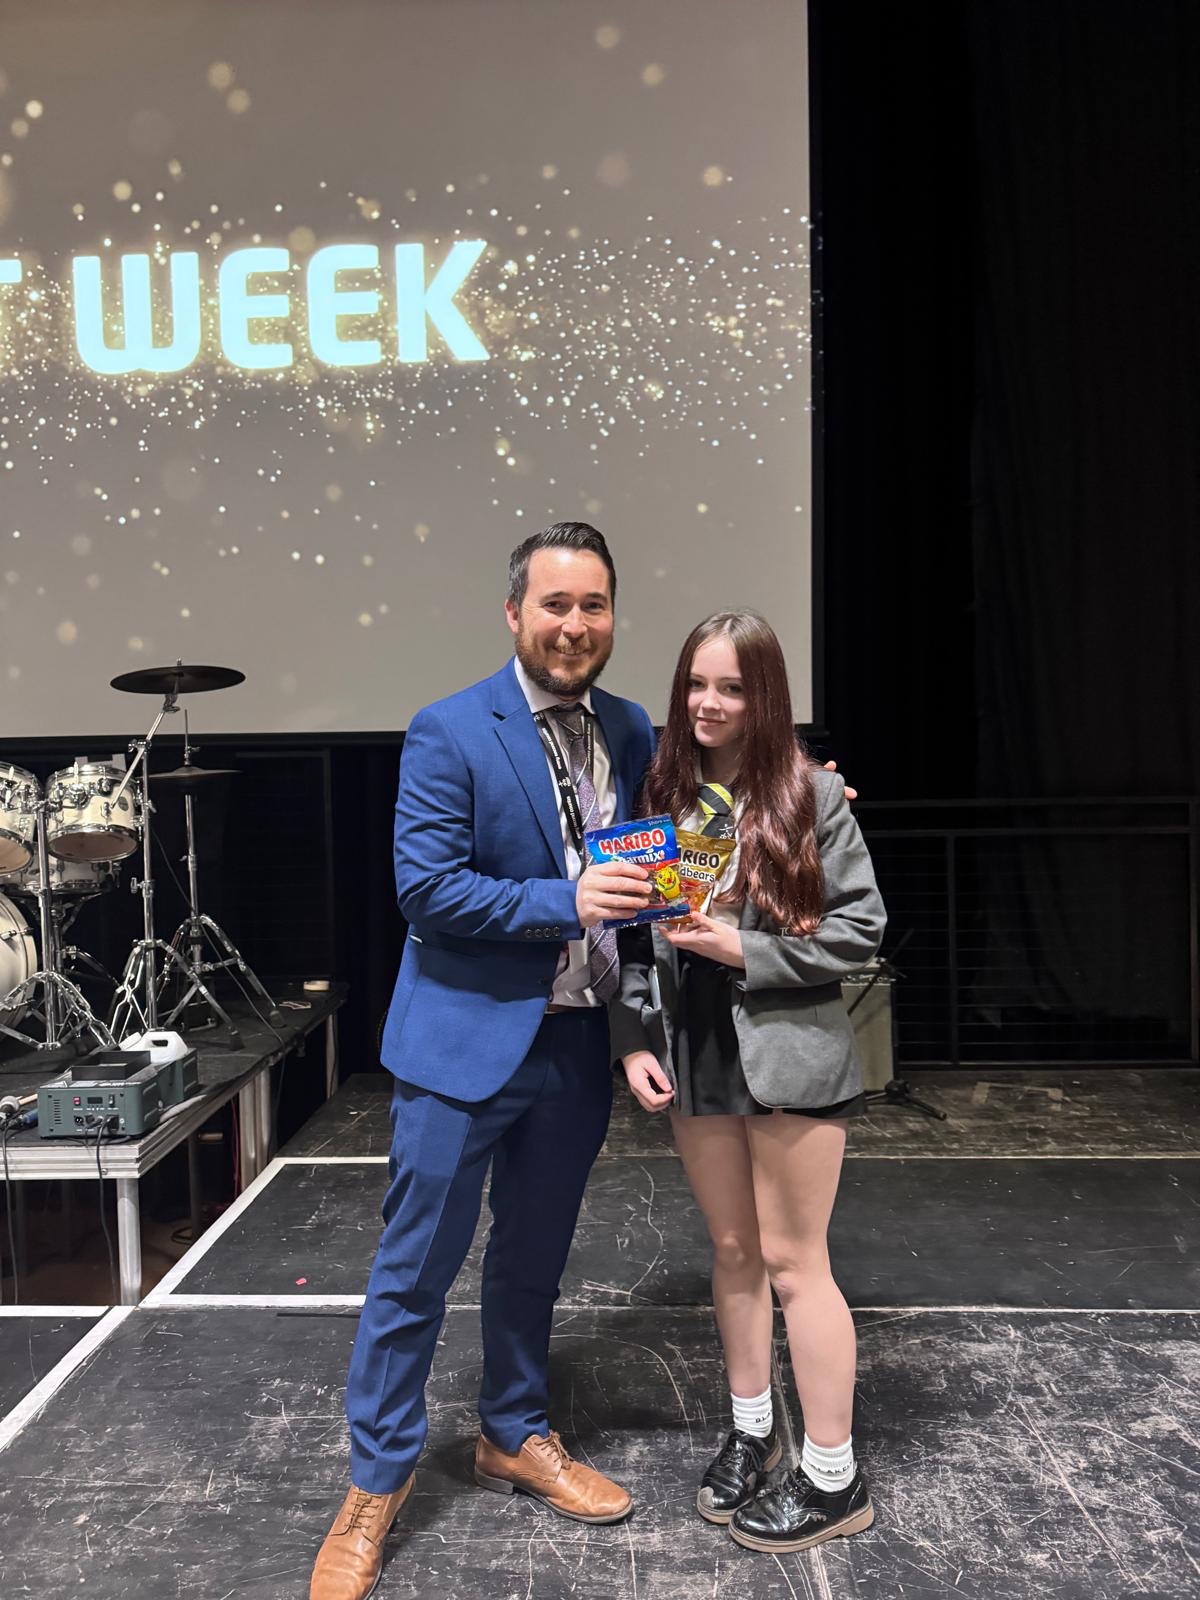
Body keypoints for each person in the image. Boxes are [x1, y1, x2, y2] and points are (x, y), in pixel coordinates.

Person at [310, 523, 657, 1600]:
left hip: (574, 1041)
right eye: (555, 604)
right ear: (514, 613)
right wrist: (567, 900)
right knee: (415, 1270)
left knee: (532, 1259)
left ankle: (513, 1431)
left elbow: (668, 857)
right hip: (461, 1046)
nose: (575, 625)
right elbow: (425, 890)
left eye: (593, 604)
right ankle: (375, 1485)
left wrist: (803, 795)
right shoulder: (450, 728)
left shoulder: (631, 728)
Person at [610, 609, 885, 1556]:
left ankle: (834, 1478)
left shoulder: (813, 794)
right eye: (697, 683)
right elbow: (636, 938)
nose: (710, 702)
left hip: (790, 1055)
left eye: (731, 686)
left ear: (765, 695)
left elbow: (860, 931)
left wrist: (743, 950)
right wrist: (634, 1037)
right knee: (732, 1251)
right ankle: (753, 1431)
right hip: (695, 1051)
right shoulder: (665, 797)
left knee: (795, 1264)